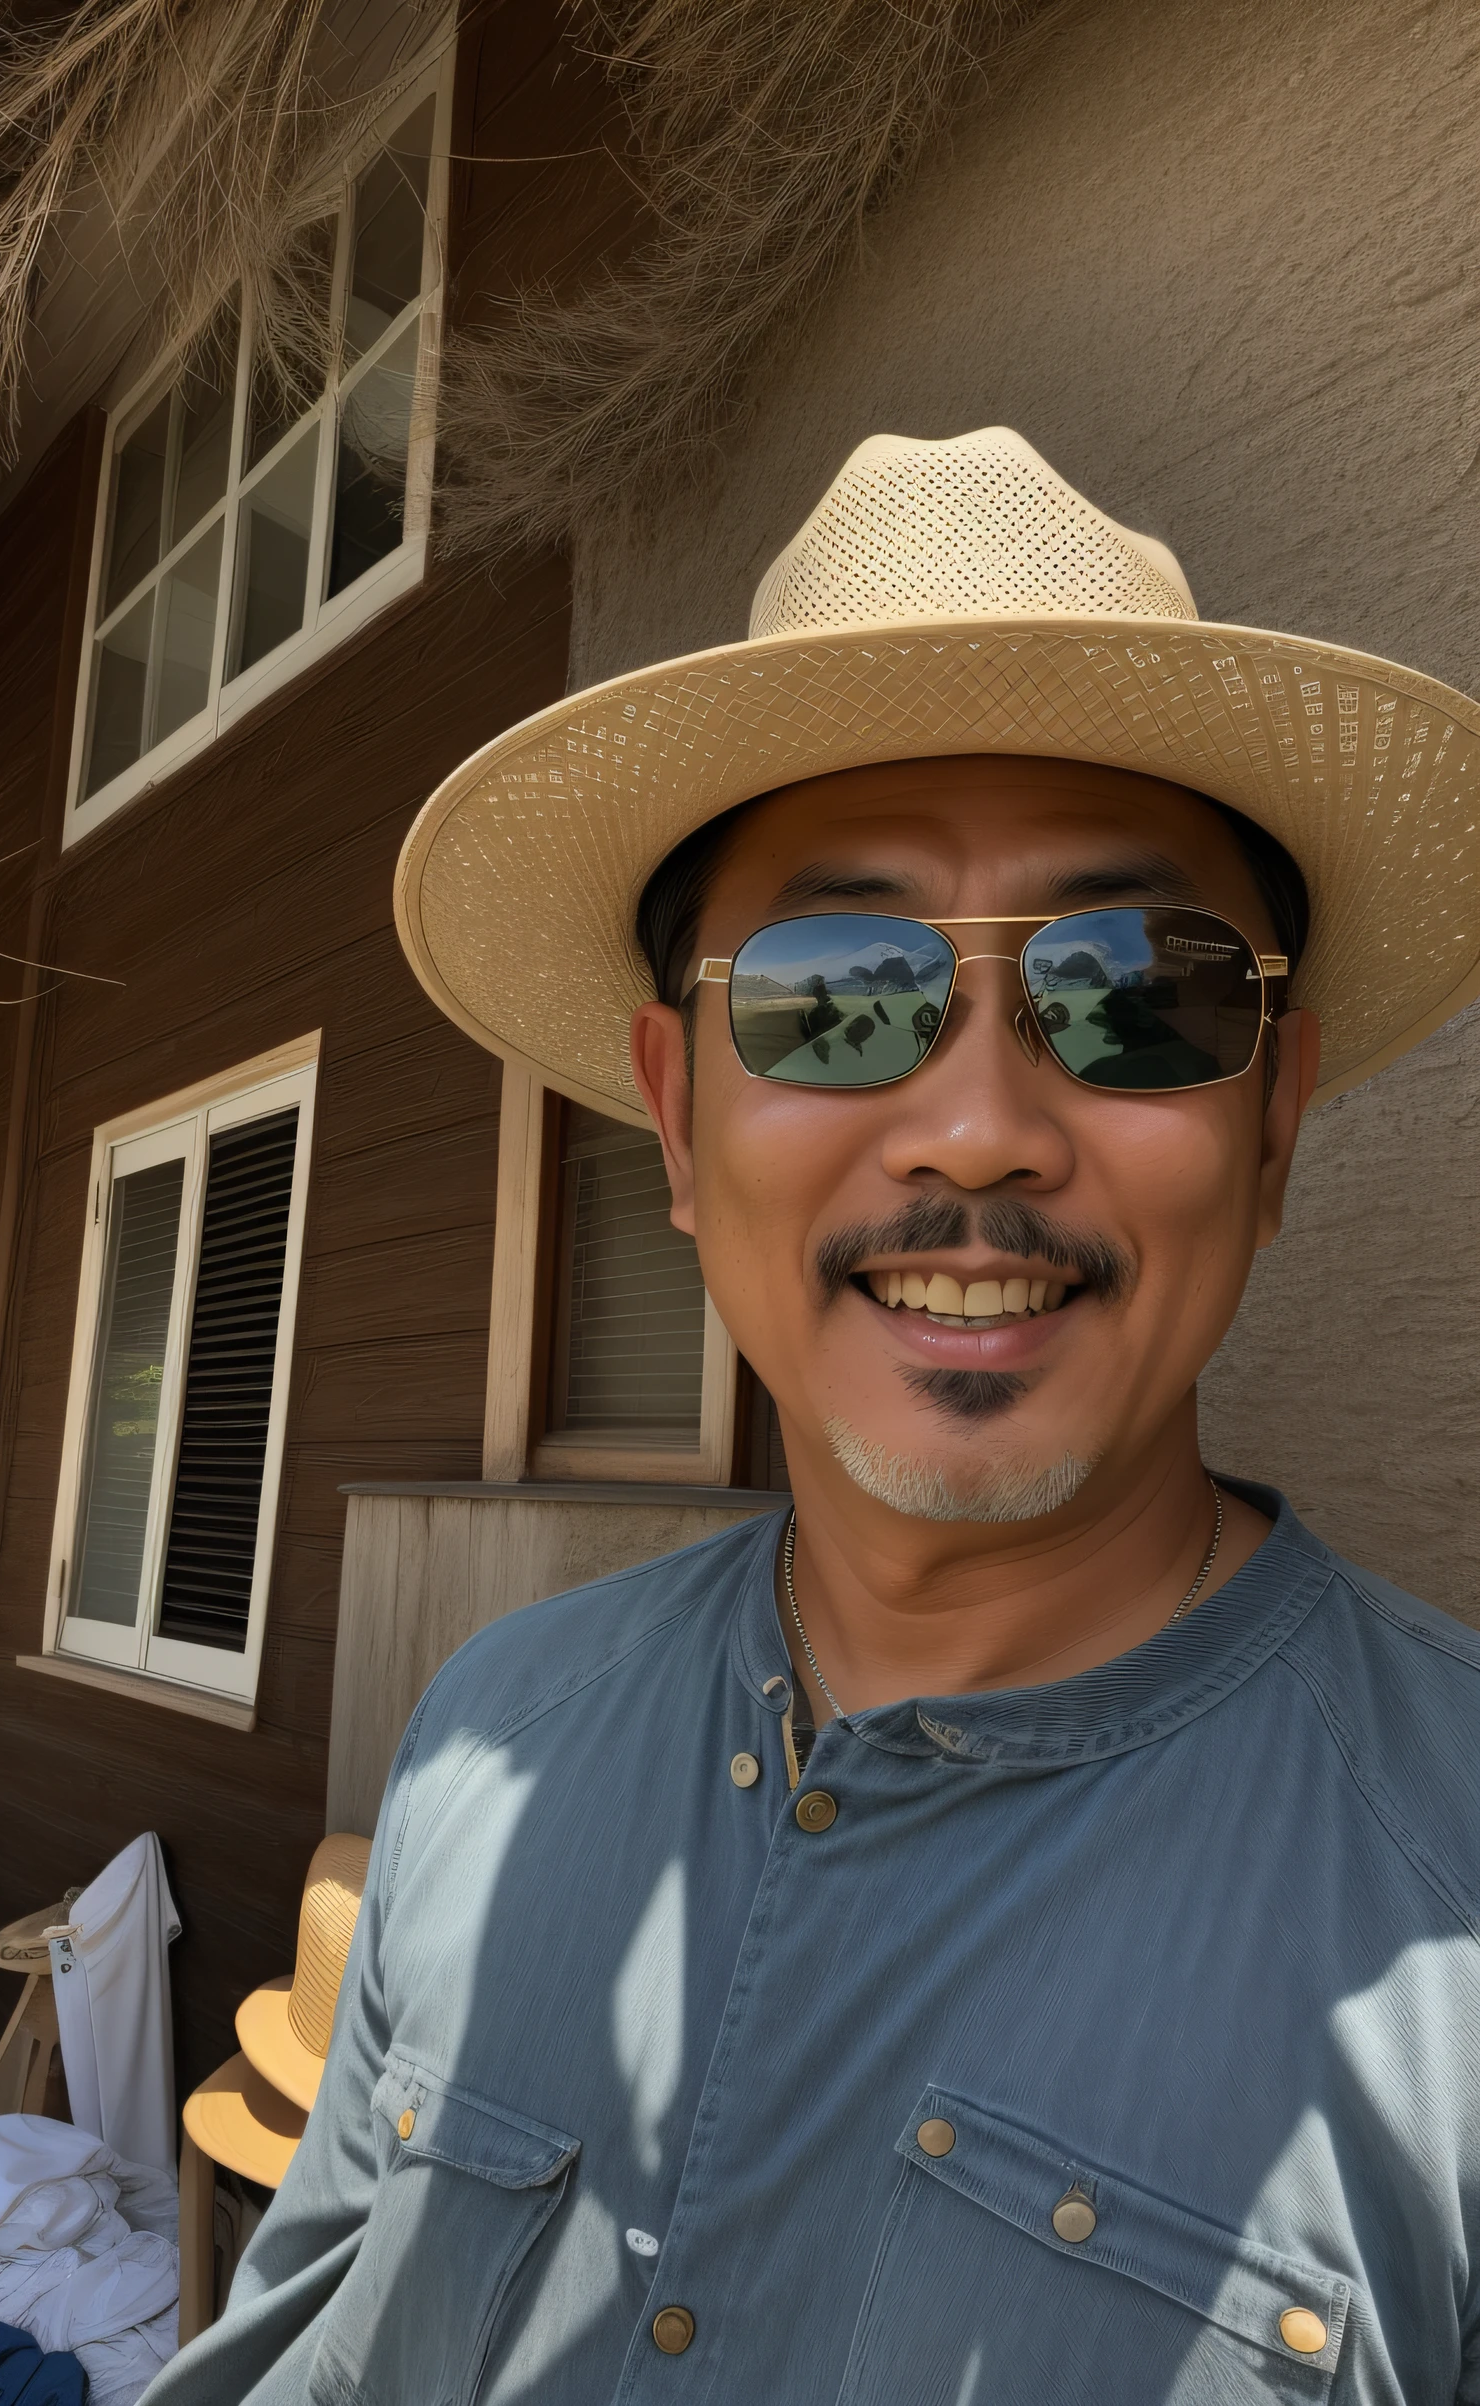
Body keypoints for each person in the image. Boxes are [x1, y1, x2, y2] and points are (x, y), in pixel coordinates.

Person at [146, 430, 1480, 2402]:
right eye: (833, 991)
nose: (976, 1127)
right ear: (677, 1119)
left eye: (1134, 993)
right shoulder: (483, 1749)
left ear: (1267, 1123)